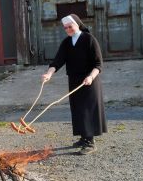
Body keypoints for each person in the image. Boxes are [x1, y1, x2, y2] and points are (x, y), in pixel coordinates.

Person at [42, 14, 107, 155]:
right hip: (74, 80)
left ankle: (90, 142)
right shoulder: (67, 42)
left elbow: (98, 64)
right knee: (78, 109)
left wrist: (91, 77)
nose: (68, 29)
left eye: (70, 26)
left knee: (87, 109)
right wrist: (49, 74)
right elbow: (57, 61)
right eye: (65, 28)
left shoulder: (89, 39)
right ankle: (83, 138)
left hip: (90, 81)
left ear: (77, 24)